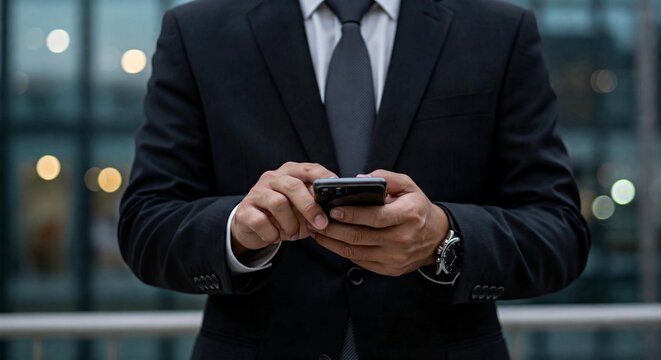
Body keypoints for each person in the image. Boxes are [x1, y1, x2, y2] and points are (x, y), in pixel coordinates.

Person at [118, 0, 591, 358]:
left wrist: (444, 240)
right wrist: (238, 230)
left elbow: (559, 230)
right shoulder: (199, 31)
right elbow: (146, 224)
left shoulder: (497, 30)